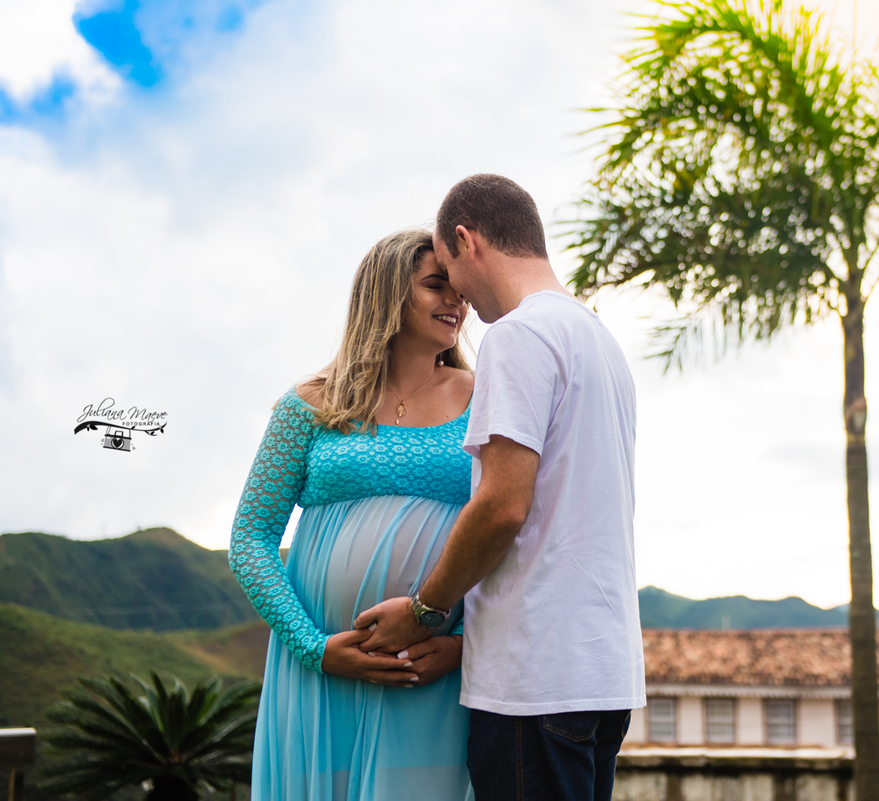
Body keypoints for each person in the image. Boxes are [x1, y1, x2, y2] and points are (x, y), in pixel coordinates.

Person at [353, 174, 646, 801]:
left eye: (447, 270)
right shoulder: (597, 340)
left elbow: (502, 505)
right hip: (602, 674)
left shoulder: (517, 336)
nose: (456, 296)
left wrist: (423, 612)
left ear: (465, 242)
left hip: (534, 677)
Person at [228, 228, 476, 801]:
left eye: (459, 289)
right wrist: (314, 647)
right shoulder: (309, 404)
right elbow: (250, 537)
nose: (456, 302)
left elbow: (513, 535)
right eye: (436, 285)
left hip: (433, 669)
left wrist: (465, 645)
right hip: (320, 675)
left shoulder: (486, 395)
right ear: (387, 294)